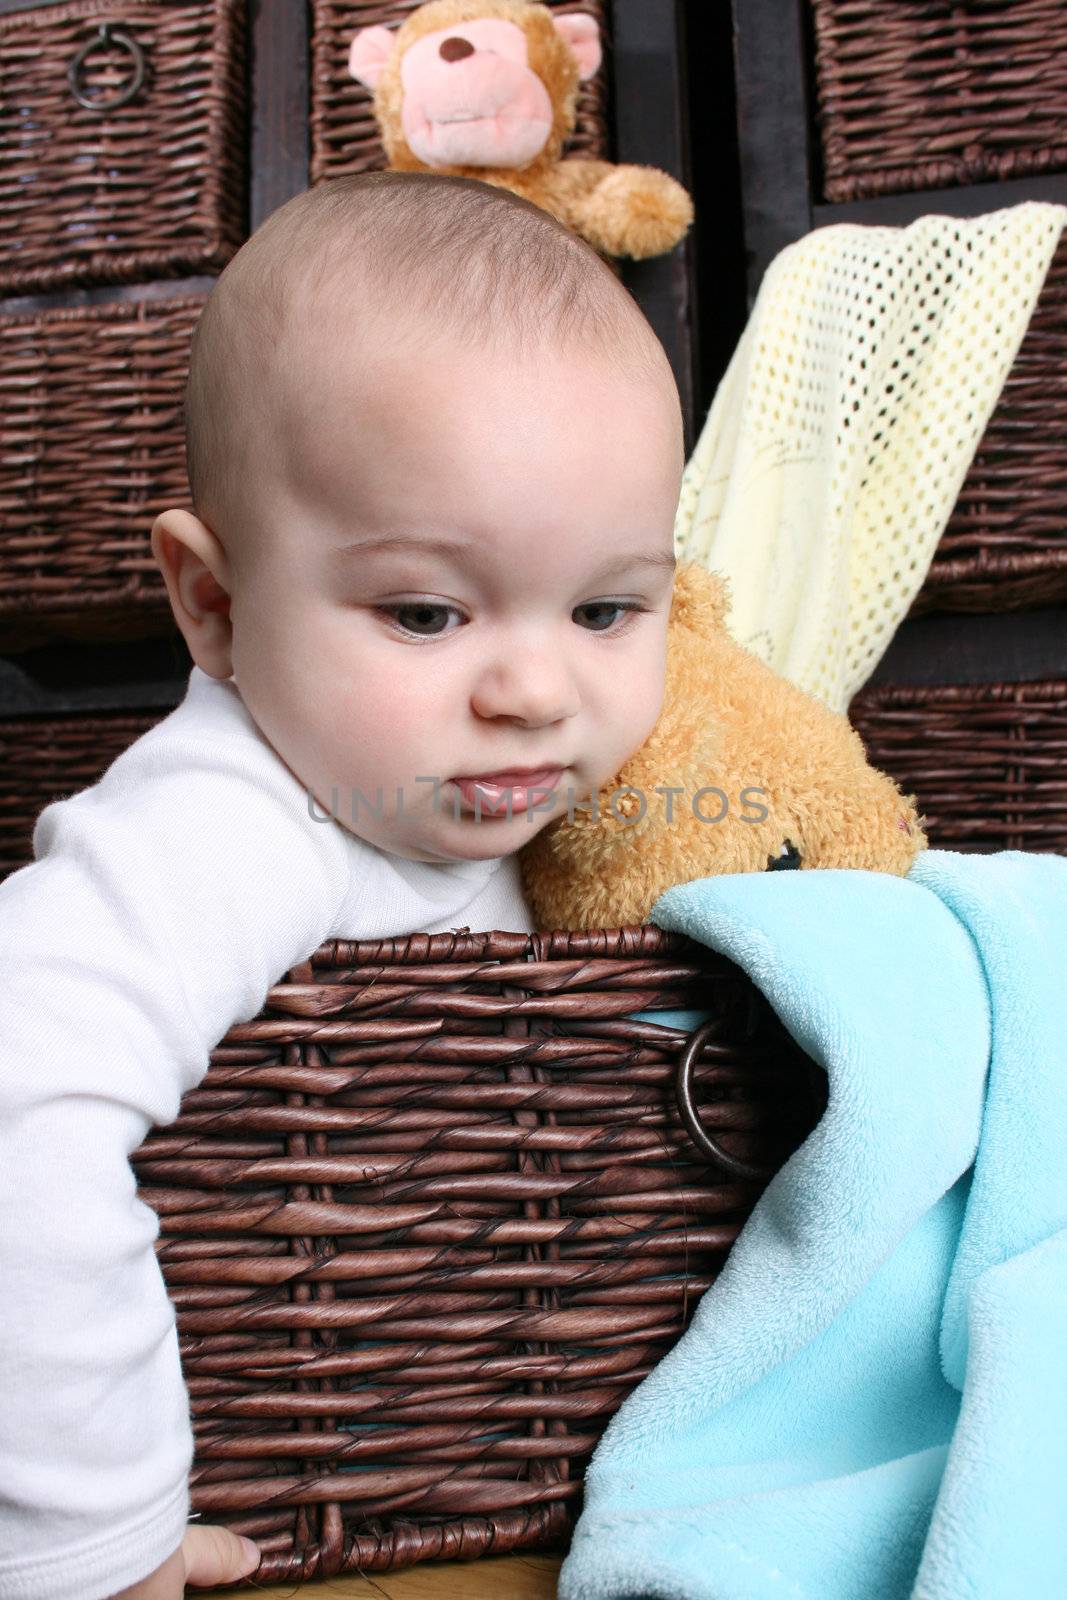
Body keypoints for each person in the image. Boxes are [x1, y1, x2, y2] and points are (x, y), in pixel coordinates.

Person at [0, 170, 684, 1600]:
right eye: (426, 613)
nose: (537, 692)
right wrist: (88, 1535)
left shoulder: (504, 787)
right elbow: (17, 1104)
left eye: (608, 607)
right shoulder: (227, 823)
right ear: (215, 604)